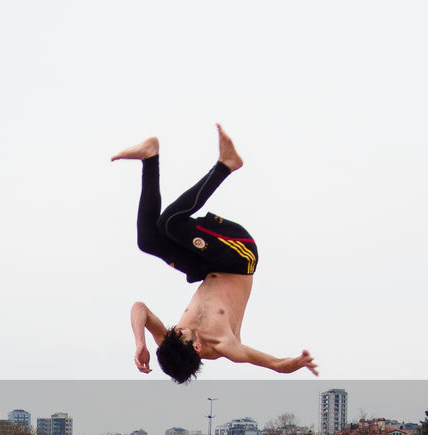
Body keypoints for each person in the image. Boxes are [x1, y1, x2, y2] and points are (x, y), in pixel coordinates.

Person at [114, 124, 319, 383]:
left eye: (176, 330)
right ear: (197, 348)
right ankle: (227, 164)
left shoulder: (173, 341)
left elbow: (139, 308)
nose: (180, 328)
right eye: (183, 333)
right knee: (171, 222)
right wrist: (295, 363)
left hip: (205, 266)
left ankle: (150, 156)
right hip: (239, 257)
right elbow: (276, 364)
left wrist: (140, 343)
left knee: (148, 241)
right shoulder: (225, 344)